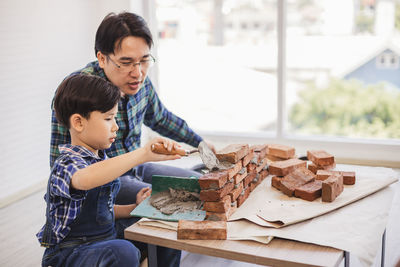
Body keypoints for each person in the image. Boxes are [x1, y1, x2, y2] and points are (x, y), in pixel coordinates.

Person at [50, 11, 213, 206]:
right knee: (181, 199)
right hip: (104, 182)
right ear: (102, 59)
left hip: (138, 167)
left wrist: (200, 143)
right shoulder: (77, 92)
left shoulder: (140, 82)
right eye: (126, 62)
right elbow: (59, 167)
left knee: (203, 185)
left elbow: (161, 119)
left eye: (144, 60)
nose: (138, 73)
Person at [37, 74, 182, 267]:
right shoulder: (66, 164)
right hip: (70, 254)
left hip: (105, 238)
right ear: (79, 122)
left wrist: (134, 208)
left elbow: (101, 212)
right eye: (108, 119)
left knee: (161, 226)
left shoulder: (100, 159)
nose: (116, 127)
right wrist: (142, 154)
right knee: (123, 251)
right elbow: (84, 179)